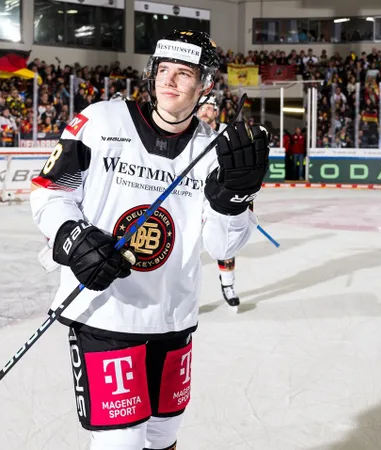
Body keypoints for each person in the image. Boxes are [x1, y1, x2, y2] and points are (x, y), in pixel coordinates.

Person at [30, 30, 269, 450]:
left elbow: (223, 248)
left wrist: (234, 199)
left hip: (172, 317)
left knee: (162, 436)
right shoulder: (101, 121)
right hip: (106, 311)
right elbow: (51, 193)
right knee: (121, 441)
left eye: (184, 73)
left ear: (205, 84)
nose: (169, 81)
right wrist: (74, 238)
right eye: (163, 70)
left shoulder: (215, 151)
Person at [196, 95, 243, 309]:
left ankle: (228, 285)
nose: (205, 111)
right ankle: (187, 293)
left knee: (225, 243)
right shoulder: (190, 131)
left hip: (218, 195)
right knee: (188, 247)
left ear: (216, 111)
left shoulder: (228, 133)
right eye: (201, 107)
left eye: (209, 107)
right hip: (193, 195)